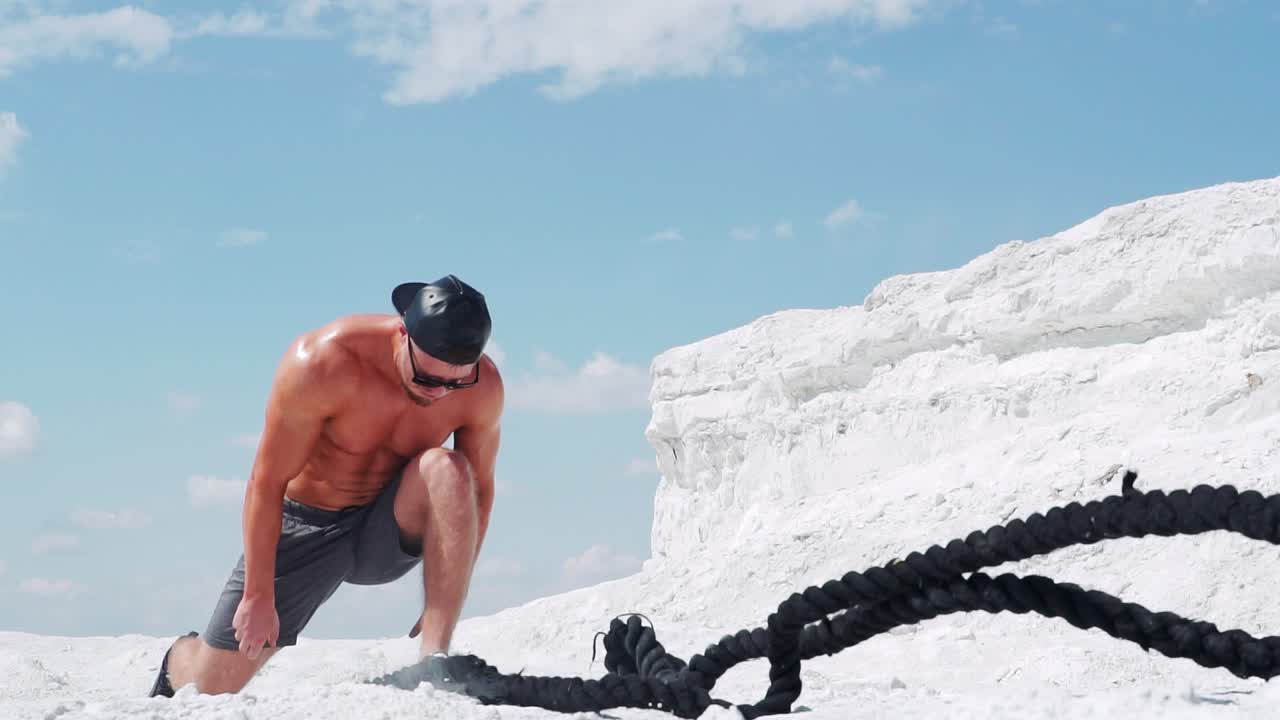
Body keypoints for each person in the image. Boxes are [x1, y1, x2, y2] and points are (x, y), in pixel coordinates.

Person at [149, 274, 503, 697]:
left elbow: (479, 491)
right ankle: (182, 656)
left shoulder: (483, 387)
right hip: (307, 526)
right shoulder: (322, 362)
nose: (441, 393)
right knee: (210, 689)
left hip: (387, 529)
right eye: (429, 379)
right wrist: (258, 594)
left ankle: (435, 659)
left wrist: (446, 600)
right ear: (403, 333)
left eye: (455, 382)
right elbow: (267, 480)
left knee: (450, 468)